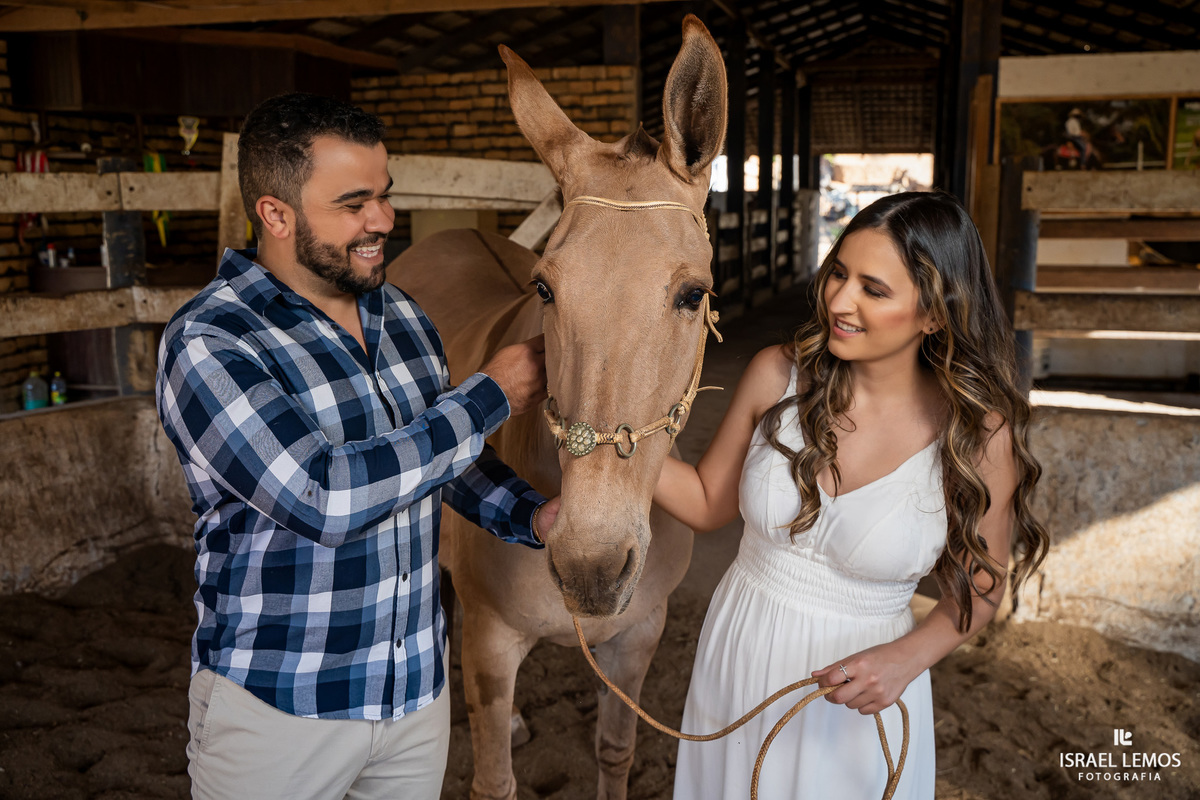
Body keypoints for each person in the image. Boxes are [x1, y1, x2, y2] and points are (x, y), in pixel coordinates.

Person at [155, 93, 559, 800]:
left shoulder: (401, 315)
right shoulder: (211, 342)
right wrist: (490, 394)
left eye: (384, 195)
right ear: (275, 214)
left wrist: (532, 515)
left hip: (414, 699)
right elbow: (324, 496)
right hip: (283, 711)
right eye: (353, 204)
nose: (383, 221)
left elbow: (438, 462)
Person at [656, 191, 1048, 798]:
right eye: (838, 272)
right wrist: (606, 438)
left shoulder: (977, 432)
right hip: (741, 649)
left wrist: (908, 657)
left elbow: (983, 584)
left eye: (874, 289)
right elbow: (708, 501)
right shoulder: (776, 373)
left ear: (935, 314)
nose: (839, 300)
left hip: (867, 689)